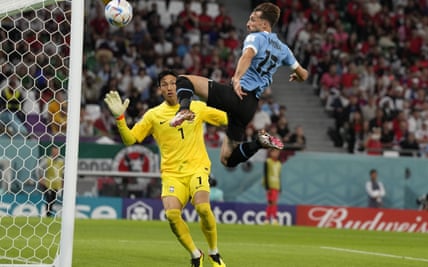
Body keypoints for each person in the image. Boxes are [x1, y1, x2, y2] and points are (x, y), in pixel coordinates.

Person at [104, 70, 227, 267]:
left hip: (197, 169)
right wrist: (120, 119)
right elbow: (130, 140)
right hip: (172, 175)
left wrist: (239, 107)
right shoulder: (153, 115)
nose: (170, 87)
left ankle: (214, 253)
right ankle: (196, 254)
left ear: (180, 86)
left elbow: (226, 119)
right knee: (171, 215)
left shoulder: (197, 107)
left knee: (203, 208)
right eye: (165, 84)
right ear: (160, 89)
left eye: (173, 83)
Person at [170, 2, 308, 169]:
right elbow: (304, 73)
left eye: (253, 20)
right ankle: (258, 143)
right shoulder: (284, 49)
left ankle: (183, 109)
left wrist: (236, 79)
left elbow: (247, 56)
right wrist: (298, 77)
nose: (248, 23)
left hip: (237, 94)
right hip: (249, 107)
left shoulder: (256, 37)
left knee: (184, 80)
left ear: (264, 24)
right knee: (227, 159)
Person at [37, 146, 64, 217]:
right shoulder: (47, 160)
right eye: (54, 151)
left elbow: (63, 173)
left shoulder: (61, 161)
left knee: (53, 199)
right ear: (51, 152)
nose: (55, 153)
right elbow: (39, 168)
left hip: (56, 184)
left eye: (57, 151)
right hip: (47, 183)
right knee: (48, 198)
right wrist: (40, 178)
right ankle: (48, 214)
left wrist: (62, 182)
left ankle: (49, 213)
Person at [262, 148, 282, 225]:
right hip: (270, 185)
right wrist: (267, 187)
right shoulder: (267, 162)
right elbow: (266, 174)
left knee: (271, 203)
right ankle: (274, 219)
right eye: (275, 152)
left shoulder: (279, 163)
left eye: (278, 152)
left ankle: (267, 219)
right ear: (271, 153)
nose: (276, 154)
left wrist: (280, 187)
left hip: (276, 185)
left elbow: (279, 176)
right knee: (273, 203)